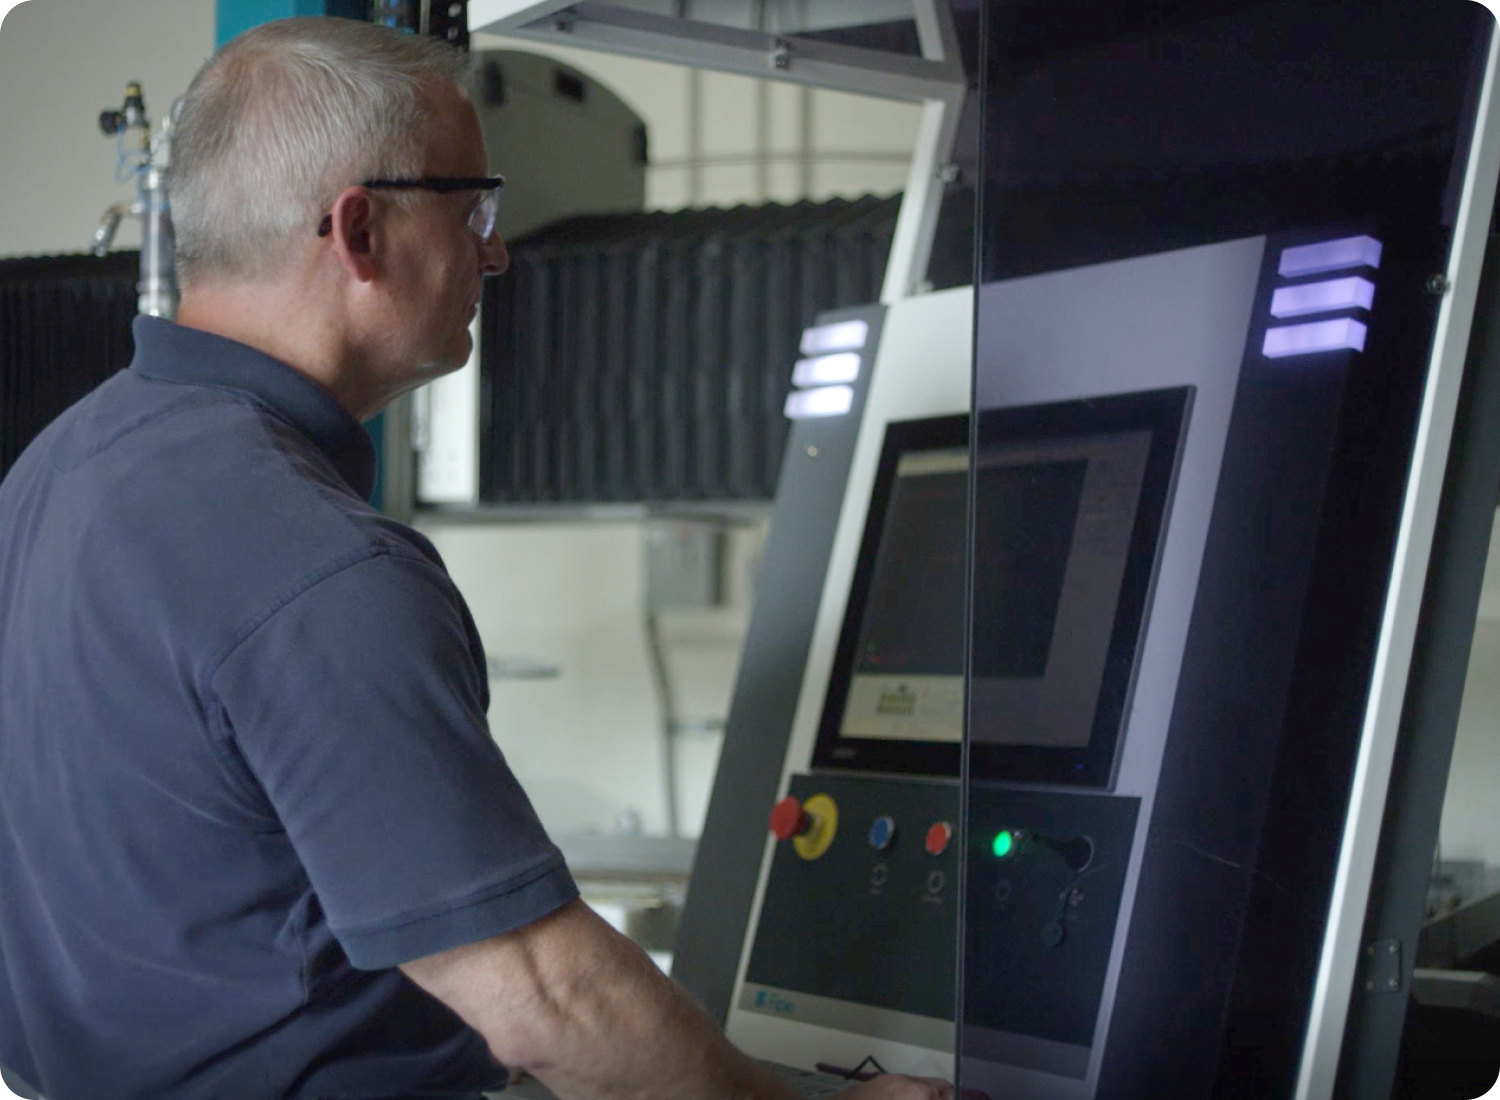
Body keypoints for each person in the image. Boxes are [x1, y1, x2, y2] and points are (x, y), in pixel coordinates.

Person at [0, 17, 953, 1100]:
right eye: (473, 208)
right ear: (359, 231)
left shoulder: (46, 474)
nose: (495, 250)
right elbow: (545, 1001)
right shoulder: (318, 563)